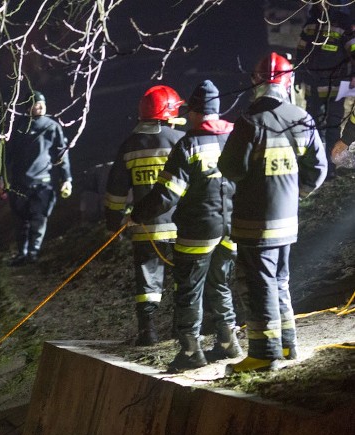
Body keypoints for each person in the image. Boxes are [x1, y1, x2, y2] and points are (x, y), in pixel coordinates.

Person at [218, 52, 327, 374]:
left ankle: (264, 354)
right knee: (279, 280)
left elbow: (230, 168)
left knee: (260, 283)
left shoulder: (250, 120)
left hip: (255, 220)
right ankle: (286, 344)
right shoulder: (301, 118)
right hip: (287, 221)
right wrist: (294, 196)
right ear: (288, 82)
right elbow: (318, 170)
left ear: (255, 82)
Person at [131, 80, 241, 371]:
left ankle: (191, 351)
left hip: (198, 229)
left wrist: (138, 213)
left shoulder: (189, 144)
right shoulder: (234, 137)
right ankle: (228, 341)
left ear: (194, 111)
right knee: (220, 283)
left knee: (190, 288)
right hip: (232, 225)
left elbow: (168, 194)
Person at [104, 85, 185, 346]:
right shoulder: (180, 141)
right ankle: (181, 330)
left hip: (144, 228)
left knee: (147, 280)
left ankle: (147, 332)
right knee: (184, 278)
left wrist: (113, 224)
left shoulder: (129, 146)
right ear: (169, 111)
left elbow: (116, 192)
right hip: (181, 226)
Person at [0, 90, 73, 265]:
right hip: (19, 183)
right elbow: (5, 156)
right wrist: (1, 179)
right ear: (28, 106)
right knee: (20, 221)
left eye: (42, 103)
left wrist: (66, 179)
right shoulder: (17, 126)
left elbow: (61, 154)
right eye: (35, 103)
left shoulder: (52, 127)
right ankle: (22, 253)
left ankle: (33, 252)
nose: (39, 106)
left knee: (38, 218)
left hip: (42, 182)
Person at [294, 5, 351, 177]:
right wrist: (298, 76)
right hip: (313, 87)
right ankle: (315, 167)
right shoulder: (311, 24)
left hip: (336, 87)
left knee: (333, 128)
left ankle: (331, 168)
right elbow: (301, 52)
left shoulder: (344, 24)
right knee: (313, 127)